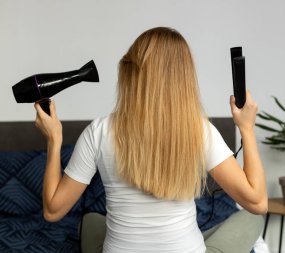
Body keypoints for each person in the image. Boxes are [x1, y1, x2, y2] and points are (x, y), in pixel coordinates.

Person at [34, 27, 267, 253]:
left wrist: (54, 139)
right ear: (183, 79)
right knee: (253, 219)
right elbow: (257, 203)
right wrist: (246, 128)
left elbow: (53, 211)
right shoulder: (200, 131)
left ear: (131, 72)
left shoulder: (98, 131)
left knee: (92, 220)